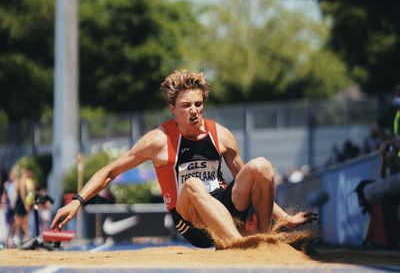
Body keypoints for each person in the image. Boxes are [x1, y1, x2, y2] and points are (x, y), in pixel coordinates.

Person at [51, 70, 316, 248]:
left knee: (261, 165)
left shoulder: (220, 134)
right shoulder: (157, 140)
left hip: (226, 208)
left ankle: (264, 239)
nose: (194, 111)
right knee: (192, 185)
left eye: (198, 105)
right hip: (192, 221)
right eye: (186, 106)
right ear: (172, 109)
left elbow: (249, 177)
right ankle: (239, 247)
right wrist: (77, 201)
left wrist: (284, 217)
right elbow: (110, 171)